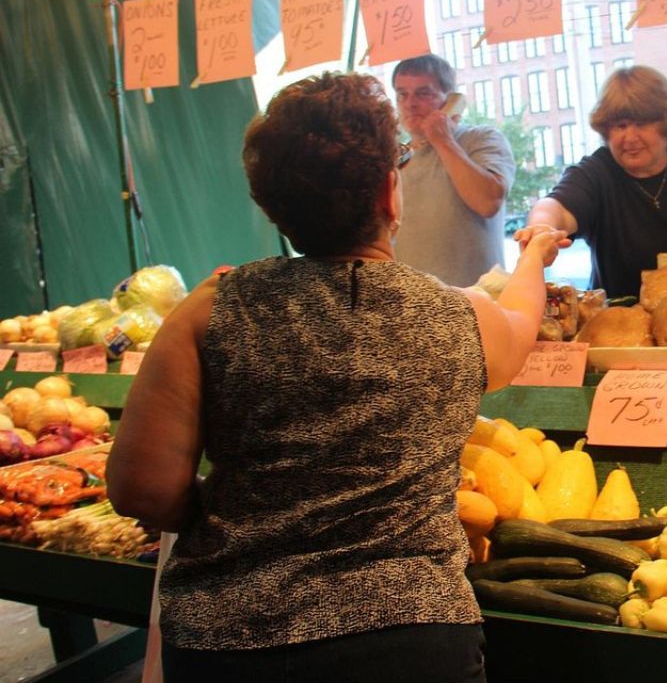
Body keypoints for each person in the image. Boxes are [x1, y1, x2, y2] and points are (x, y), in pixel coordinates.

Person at [106, 72, 563, 683]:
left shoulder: (210, 310)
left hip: (228, 640)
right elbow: (522, 321)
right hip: (411, 638)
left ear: (271, 202)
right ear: (389, 194)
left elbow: (143, 492)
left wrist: (241, 513)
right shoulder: (461, 318)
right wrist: (533, 255)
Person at [515, 65, 667, 298]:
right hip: (621, 328)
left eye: (642, 123)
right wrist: (541, 228)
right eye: (620, 126)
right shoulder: (596, 173)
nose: (630, 137)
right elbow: (555, 206)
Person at [392, 54, 516, 286]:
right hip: (413, 306)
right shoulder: (396, 156)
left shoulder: (481, 139)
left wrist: (443, 140)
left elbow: (488, 202)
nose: (410, 104)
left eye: (423, 93)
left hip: (476, 304)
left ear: (450, 100)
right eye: (402, 95)